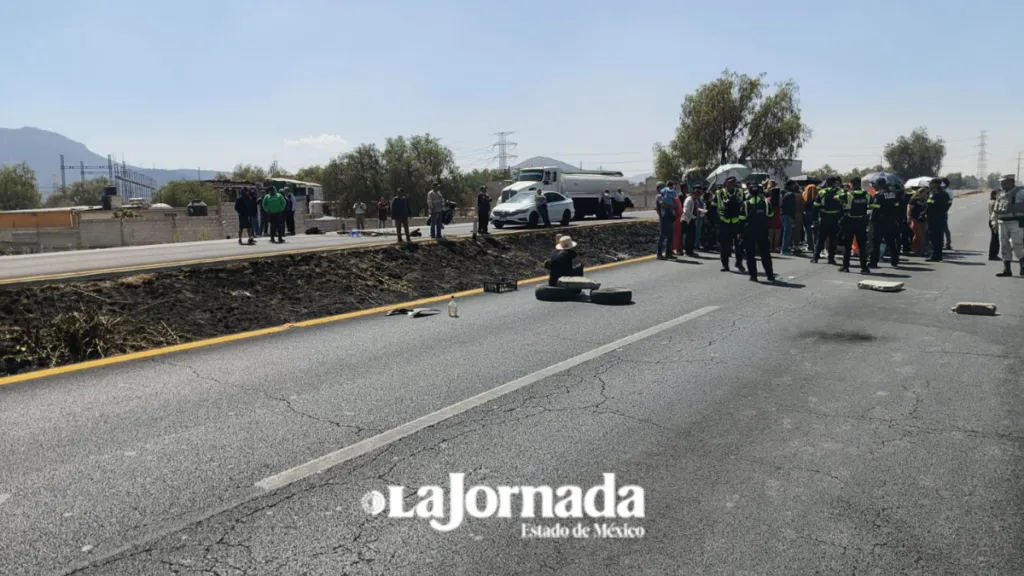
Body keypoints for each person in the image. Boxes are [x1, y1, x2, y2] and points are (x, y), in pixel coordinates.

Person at [741, 184, 776, 283]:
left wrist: (740, 232)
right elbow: (770, 215)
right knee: (765, 253)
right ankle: (770, 275)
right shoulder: (766, 202)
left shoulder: (746, 203)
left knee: (750, 254)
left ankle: (753, 276)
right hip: (762, 230)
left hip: (749, 231)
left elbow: (742, 218)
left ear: (750, 193)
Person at [992, 174, 1024, 276]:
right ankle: (1007, 269)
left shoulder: (1020, 193)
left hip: (1016, 222)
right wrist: (994, 221)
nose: (1001, 183)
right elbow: (996, 209)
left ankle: (1023, 263)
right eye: (1001, 182)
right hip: (1002, 223)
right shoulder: (1000, 194)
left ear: (1010, 182)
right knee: (1004, 245)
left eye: (1003, 182)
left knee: (1017, 245)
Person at [839, 177, 871, 274]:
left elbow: (837, 198)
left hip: (849, 221)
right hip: (861, 222)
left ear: (852, 184)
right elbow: (871, 206)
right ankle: (864, 267)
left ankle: (845, 267)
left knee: (847, 245)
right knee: (862, 246)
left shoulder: (848, 194)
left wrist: (844, 191)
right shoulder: (867, 194)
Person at [868, 177, 900, 269]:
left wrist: (872, 220)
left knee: (876, 243)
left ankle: (873, 262)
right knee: (891, 242)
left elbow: (876, 208)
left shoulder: (879, 195)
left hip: (879, 222)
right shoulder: (892, 194)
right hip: (891, 221)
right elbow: (897, 206)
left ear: (879, 184)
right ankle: (895, 261)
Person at [715, 176, 745, 272]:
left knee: (739, 244)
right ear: (726, 183)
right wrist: (714, 221)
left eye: (733, 182)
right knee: (724, 245)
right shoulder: (719, 193)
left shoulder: (740, 192)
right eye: (730, 182)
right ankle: (725, 265)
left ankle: (739, 263)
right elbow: (714, 206)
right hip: (724, 221)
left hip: (736, 221)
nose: (732, 184)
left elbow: (745, 206)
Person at [811, 176, 844, 265]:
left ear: (827, 183)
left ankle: (815, 257)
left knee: (821, 239)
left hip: (824, 218)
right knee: (833, 239)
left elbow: (815, 206)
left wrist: (814, 219)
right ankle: (831, 258)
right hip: (835, 219)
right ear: (834, 183)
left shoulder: (822, 192)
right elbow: (843, 206)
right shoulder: (840, 192)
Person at [924, 179, 950, 261]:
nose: (930, 185)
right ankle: (939, 255)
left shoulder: (933, 193)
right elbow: (949, 203)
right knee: (939, 236)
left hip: (933, 218)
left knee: (933, 237)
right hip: (941, 217)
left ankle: (934, 255)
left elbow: (929, 205)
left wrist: (925, 213)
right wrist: (943, 211)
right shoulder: (945, 193)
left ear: (935, 184)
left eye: (931, 183)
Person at [655, 181, 678, 259]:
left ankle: (668, 253)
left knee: (670, 236)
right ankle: (659, 253)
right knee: (663, 235)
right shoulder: (659, 196)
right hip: (664, 218)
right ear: (657, 189)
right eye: (660, 187)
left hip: (669, 217)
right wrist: (672, 206)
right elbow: (663, 205)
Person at [682, 187, 704, 257]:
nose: (698, 196)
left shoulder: (694, 200)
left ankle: (691, 251)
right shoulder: (689, 200)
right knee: (689, 237)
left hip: (692, 220)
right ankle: (688, 252)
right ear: (694, 194)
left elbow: (694, 208)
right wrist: (694, 217)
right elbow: (686, 211)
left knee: (692, 236)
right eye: (697, 195)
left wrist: (701, 210)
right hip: (687, 220)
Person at [907, 188, 929, 257]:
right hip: (914, 219)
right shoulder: (914, 200)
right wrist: (909, 217)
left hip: (923, 219)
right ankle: (915, 249)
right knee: (917, 234)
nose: (925, 194)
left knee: (923, 235)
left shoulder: (926, 200)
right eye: (924, 193)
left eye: (926, 193)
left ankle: (922, 250)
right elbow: (909, 208)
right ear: (919, 193)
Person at [780, 182, 797, 255]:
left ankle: (784, 248)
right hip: (788, 215)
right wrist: (793, 216)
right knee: (787, 233)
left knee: (785, 232)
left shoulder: (782, 192)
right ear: (791, 185)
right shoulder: (791, 194)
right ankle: (784, 250)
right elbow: (792, 206)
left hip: (782, 214)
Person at [766, 181, 783, 252]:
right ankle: (775, 247)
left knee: (770, 233)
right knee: (777, 232)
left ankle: (770, 247)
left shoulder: (768, 199)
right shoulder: (780, 199)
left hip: (770, 217)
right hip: (777, 216)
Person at [802, 184, 818, 253]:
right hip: (815, 214)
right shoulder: (817, 197)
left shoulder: (804, 195)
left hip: (806, 213)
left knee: (808, 231)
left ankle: (810, 246)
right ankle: (816, 246)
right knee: (815, 231)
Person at [672, 183, 686, 254]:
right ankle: (676, 249)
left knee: (679, 234)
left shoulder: (677, 197)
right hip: (676, 217)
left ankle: (679, 247)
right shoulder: (678, 196)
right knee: (676, 234)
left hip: (680, 216)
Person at [988, 189, 1002, 261]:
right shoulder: (994, 202)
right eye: (998, 194)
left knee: (994, 238)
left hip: (992, 220)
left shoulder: (992, 201)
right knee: (995, 239)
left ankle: (993, 255)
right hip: (994, 220)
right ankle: (993, 255)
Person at [940, 177, 954, 250]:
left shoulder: (948, 192)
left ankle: (947, 243)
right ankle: (942, 243)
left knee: (944, 228)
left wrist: (945, 209)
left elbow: (949, 202)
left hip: (943, 212)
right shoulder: (940, 190)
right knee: (942, 228)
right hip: (941, 211)